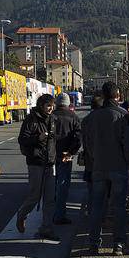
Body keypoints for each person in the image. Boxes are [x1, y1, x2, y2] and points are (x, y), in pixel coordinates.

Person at [86, 82, 129, 256]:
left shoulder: (91, 117)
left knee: (97, 207)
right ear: (117, 96)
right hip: (118, 166)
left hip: (98, 166)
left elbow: (88, 145)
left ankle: (93, 244)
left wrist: (95, 158)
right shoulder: (123, 116)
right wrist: (128, 163)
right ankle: (119, 245)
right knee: (119, 207)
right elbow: (128, 145)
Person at [16, 94, 59, 241]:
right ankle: (22, 215)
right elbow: (22, 139)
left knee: (50, 199)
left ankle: (46, 228)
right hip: (36, 163)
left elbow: (55, 140)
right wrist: (37, 138)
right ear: (41, 105)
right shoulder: (31, 119)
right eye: (48, 105)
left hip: (50, 162)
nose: (51, 108)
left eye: (52, 105)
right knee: (35, 196)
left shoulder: (53, 119)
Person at [53, 93, 81, 225]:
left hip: (50, 155)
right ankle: (60, 214)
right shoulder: (73, 117)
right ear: (68, 103)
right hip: (66, 155)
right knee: (63, 186)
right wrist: (71, 152)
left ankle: (50, 213)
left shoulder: (50, 116)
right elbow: (78, 138)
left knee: (51, 185)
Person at [81, 93, 103, 214]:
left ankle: (90, 210)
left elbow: (84, 140)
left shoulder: (86, 120)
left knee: (91, 189)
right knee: (102, 190)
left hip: (90, 160)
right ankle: (99, 213)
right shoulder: (104, 119)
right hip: (102, 160)